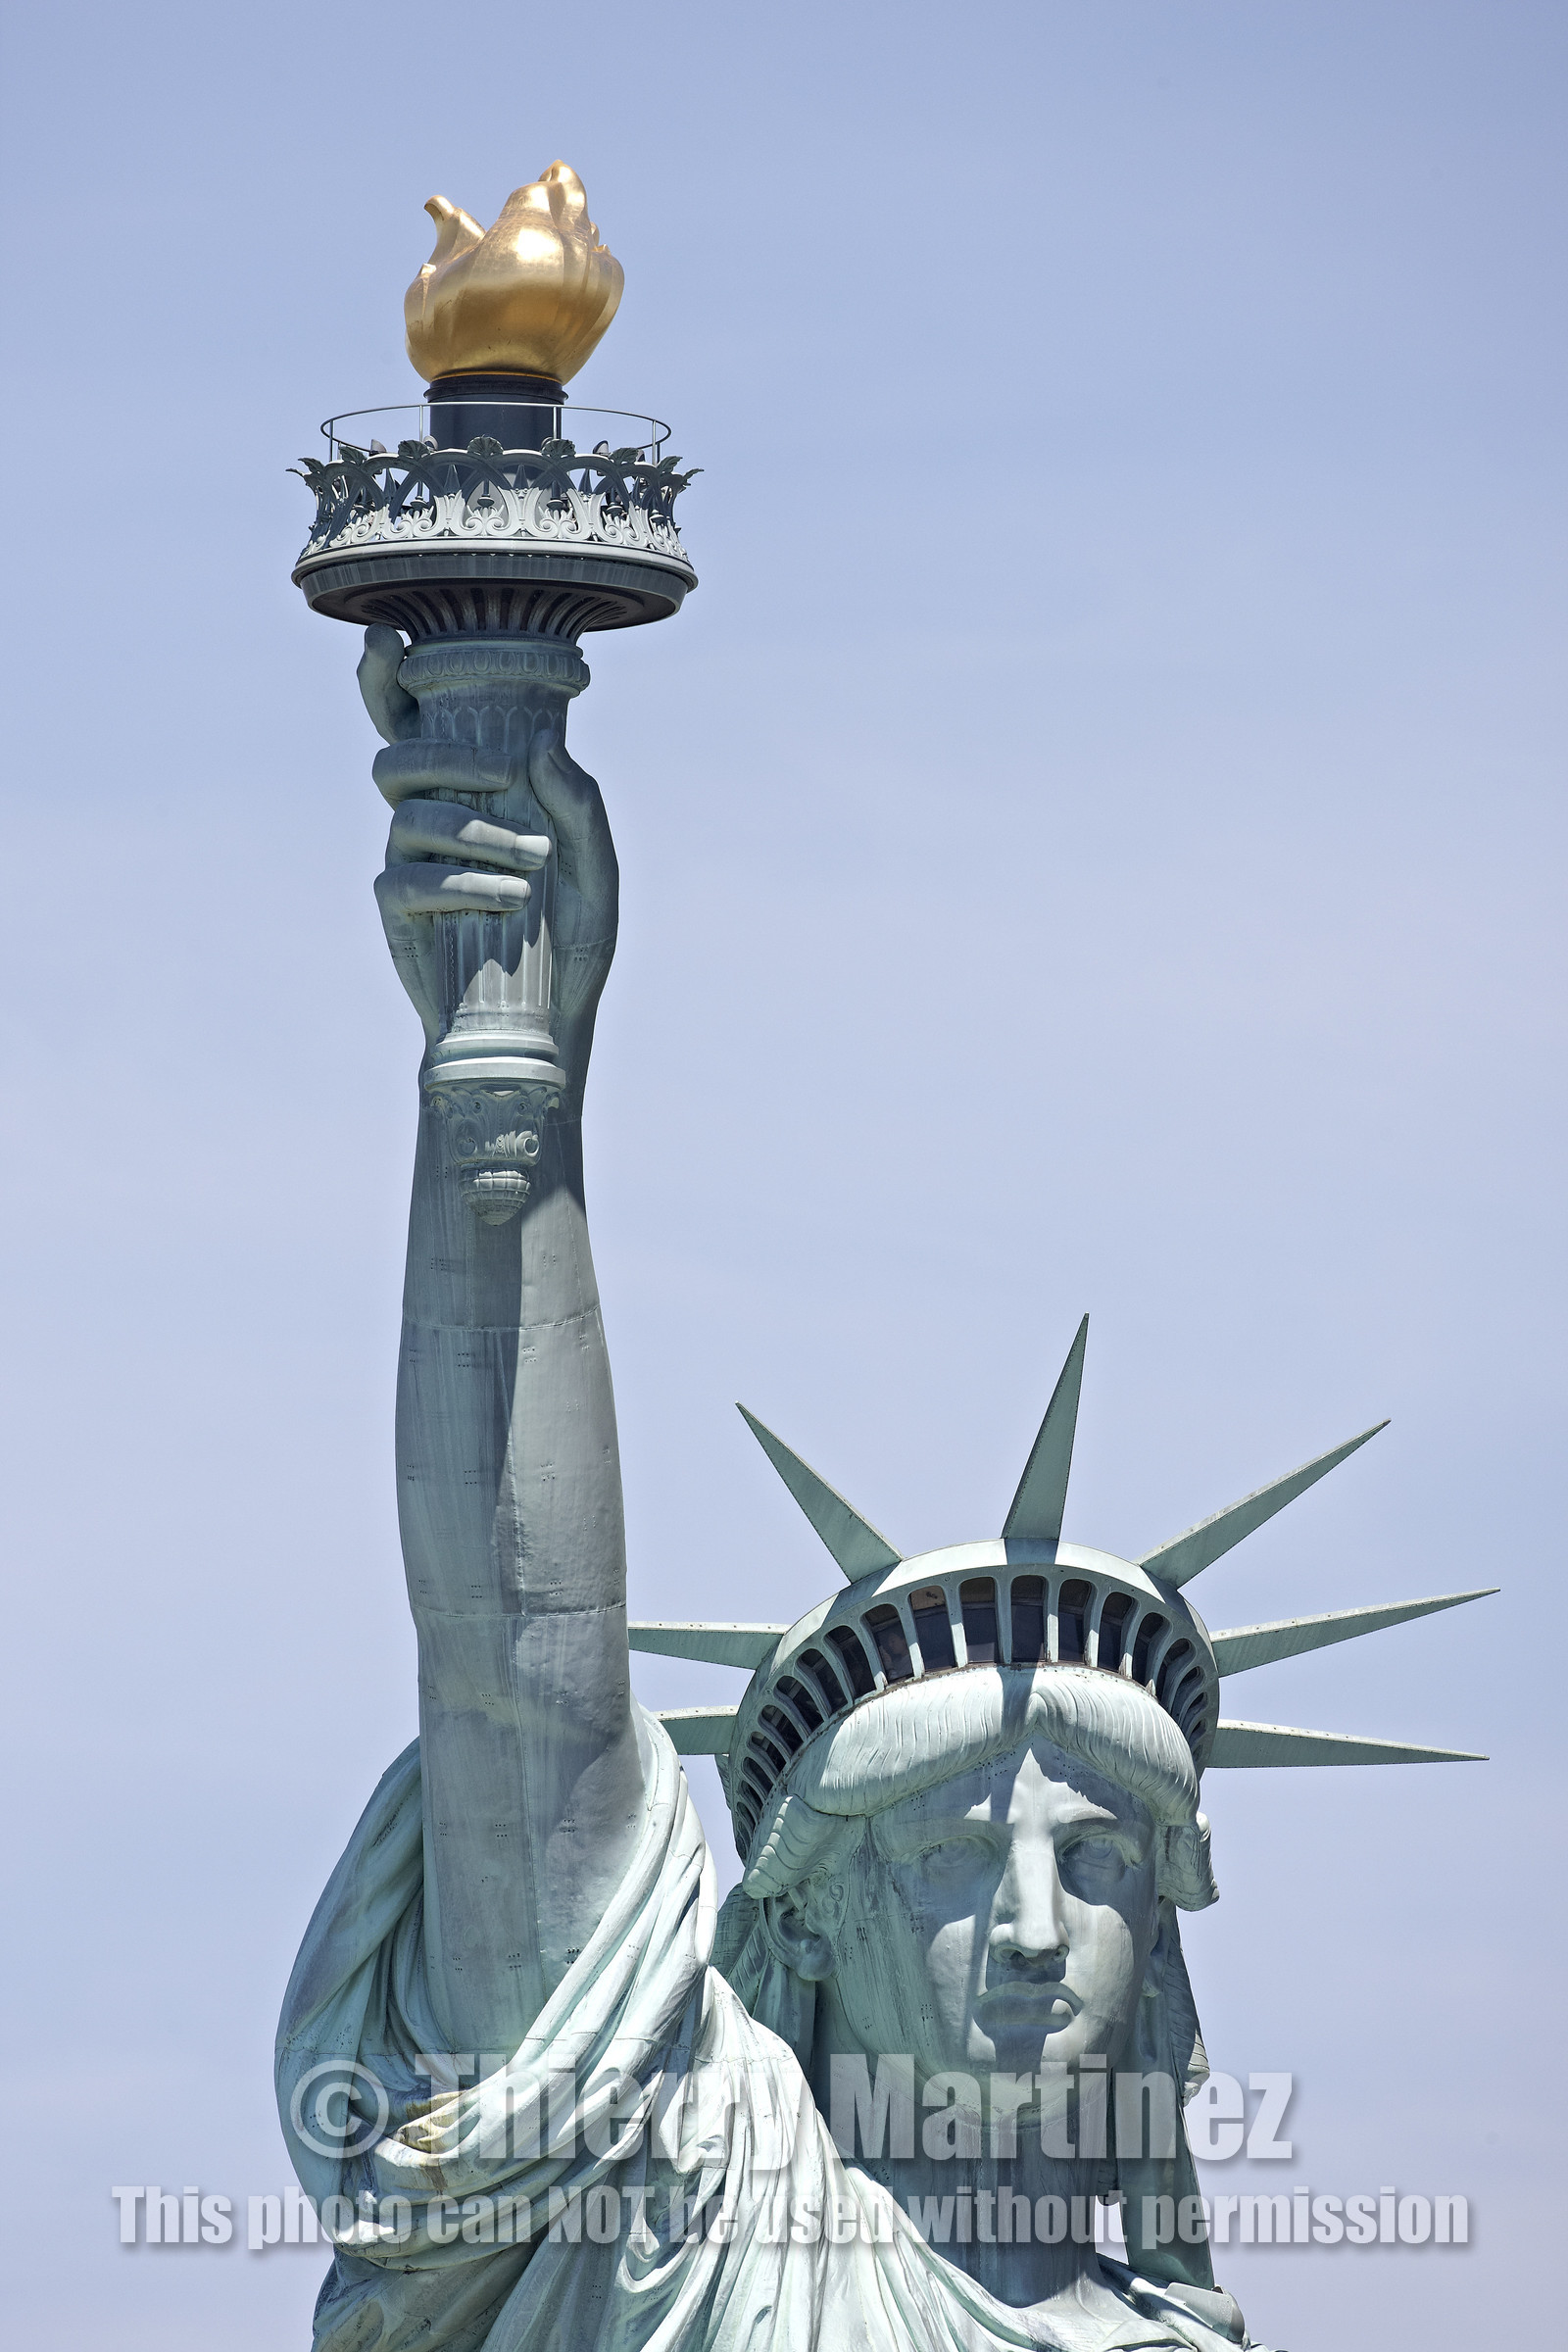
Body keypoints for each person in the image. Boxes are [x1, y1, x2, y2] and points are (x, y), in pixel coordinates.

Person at [275, 631, 1264, 2350]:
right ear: (802, 1932)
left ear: (1168, 1953)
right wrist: (504, 1068)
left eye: (1096, 1864)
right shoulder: (711, 2245)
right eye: (958, 1862)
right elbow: (527, 1671)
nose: (1038, 1936)